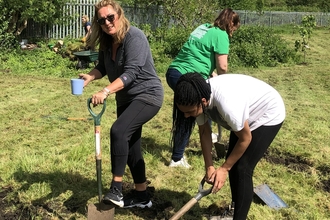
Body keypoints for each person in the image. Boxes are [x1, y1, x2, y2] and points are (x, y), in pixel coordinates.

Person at [79, 0, 164, 209]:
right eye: (102, 20)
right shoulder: (107, 42)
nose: (107, 23)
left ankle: (116, 189)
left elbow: (131, 73)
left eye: (110, 17)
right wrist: (90, 77)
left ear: (119, 14)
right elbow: (103, 67)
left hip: (147, 95)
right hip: (125, 98)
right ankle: (142, 195)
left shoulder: (135, 37)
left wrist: (106, 91)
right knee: (131, 145)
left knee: (118, 131)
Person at [172, 73, 285, 219]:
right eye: (184, 112)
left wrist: (224, 168)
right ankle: (235, 209)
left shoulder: (227, 104)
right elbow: (205, 132)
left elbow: (245, 138)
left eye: (189, 112)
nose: (186, 116)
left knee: (242, 168)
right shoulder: (195, 95)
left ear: (203, 101)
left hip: (267, 112)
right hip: (242, 113)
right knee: (233, 163)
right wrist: (209, 166)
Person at [166, 8, 240, 168]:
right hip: (187, 76)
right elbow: (223, 66)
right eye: (234, 27)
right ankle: (177, 158)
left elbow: (197, 54)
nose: (233, 31)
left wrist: (209, 73)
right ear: (231, 24)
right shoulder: (221, 34)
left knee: (200, 107)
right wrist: (222, 82)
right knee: (190, 112)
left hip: (174, 71)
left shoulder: (203, 27)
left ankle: (209, 136)